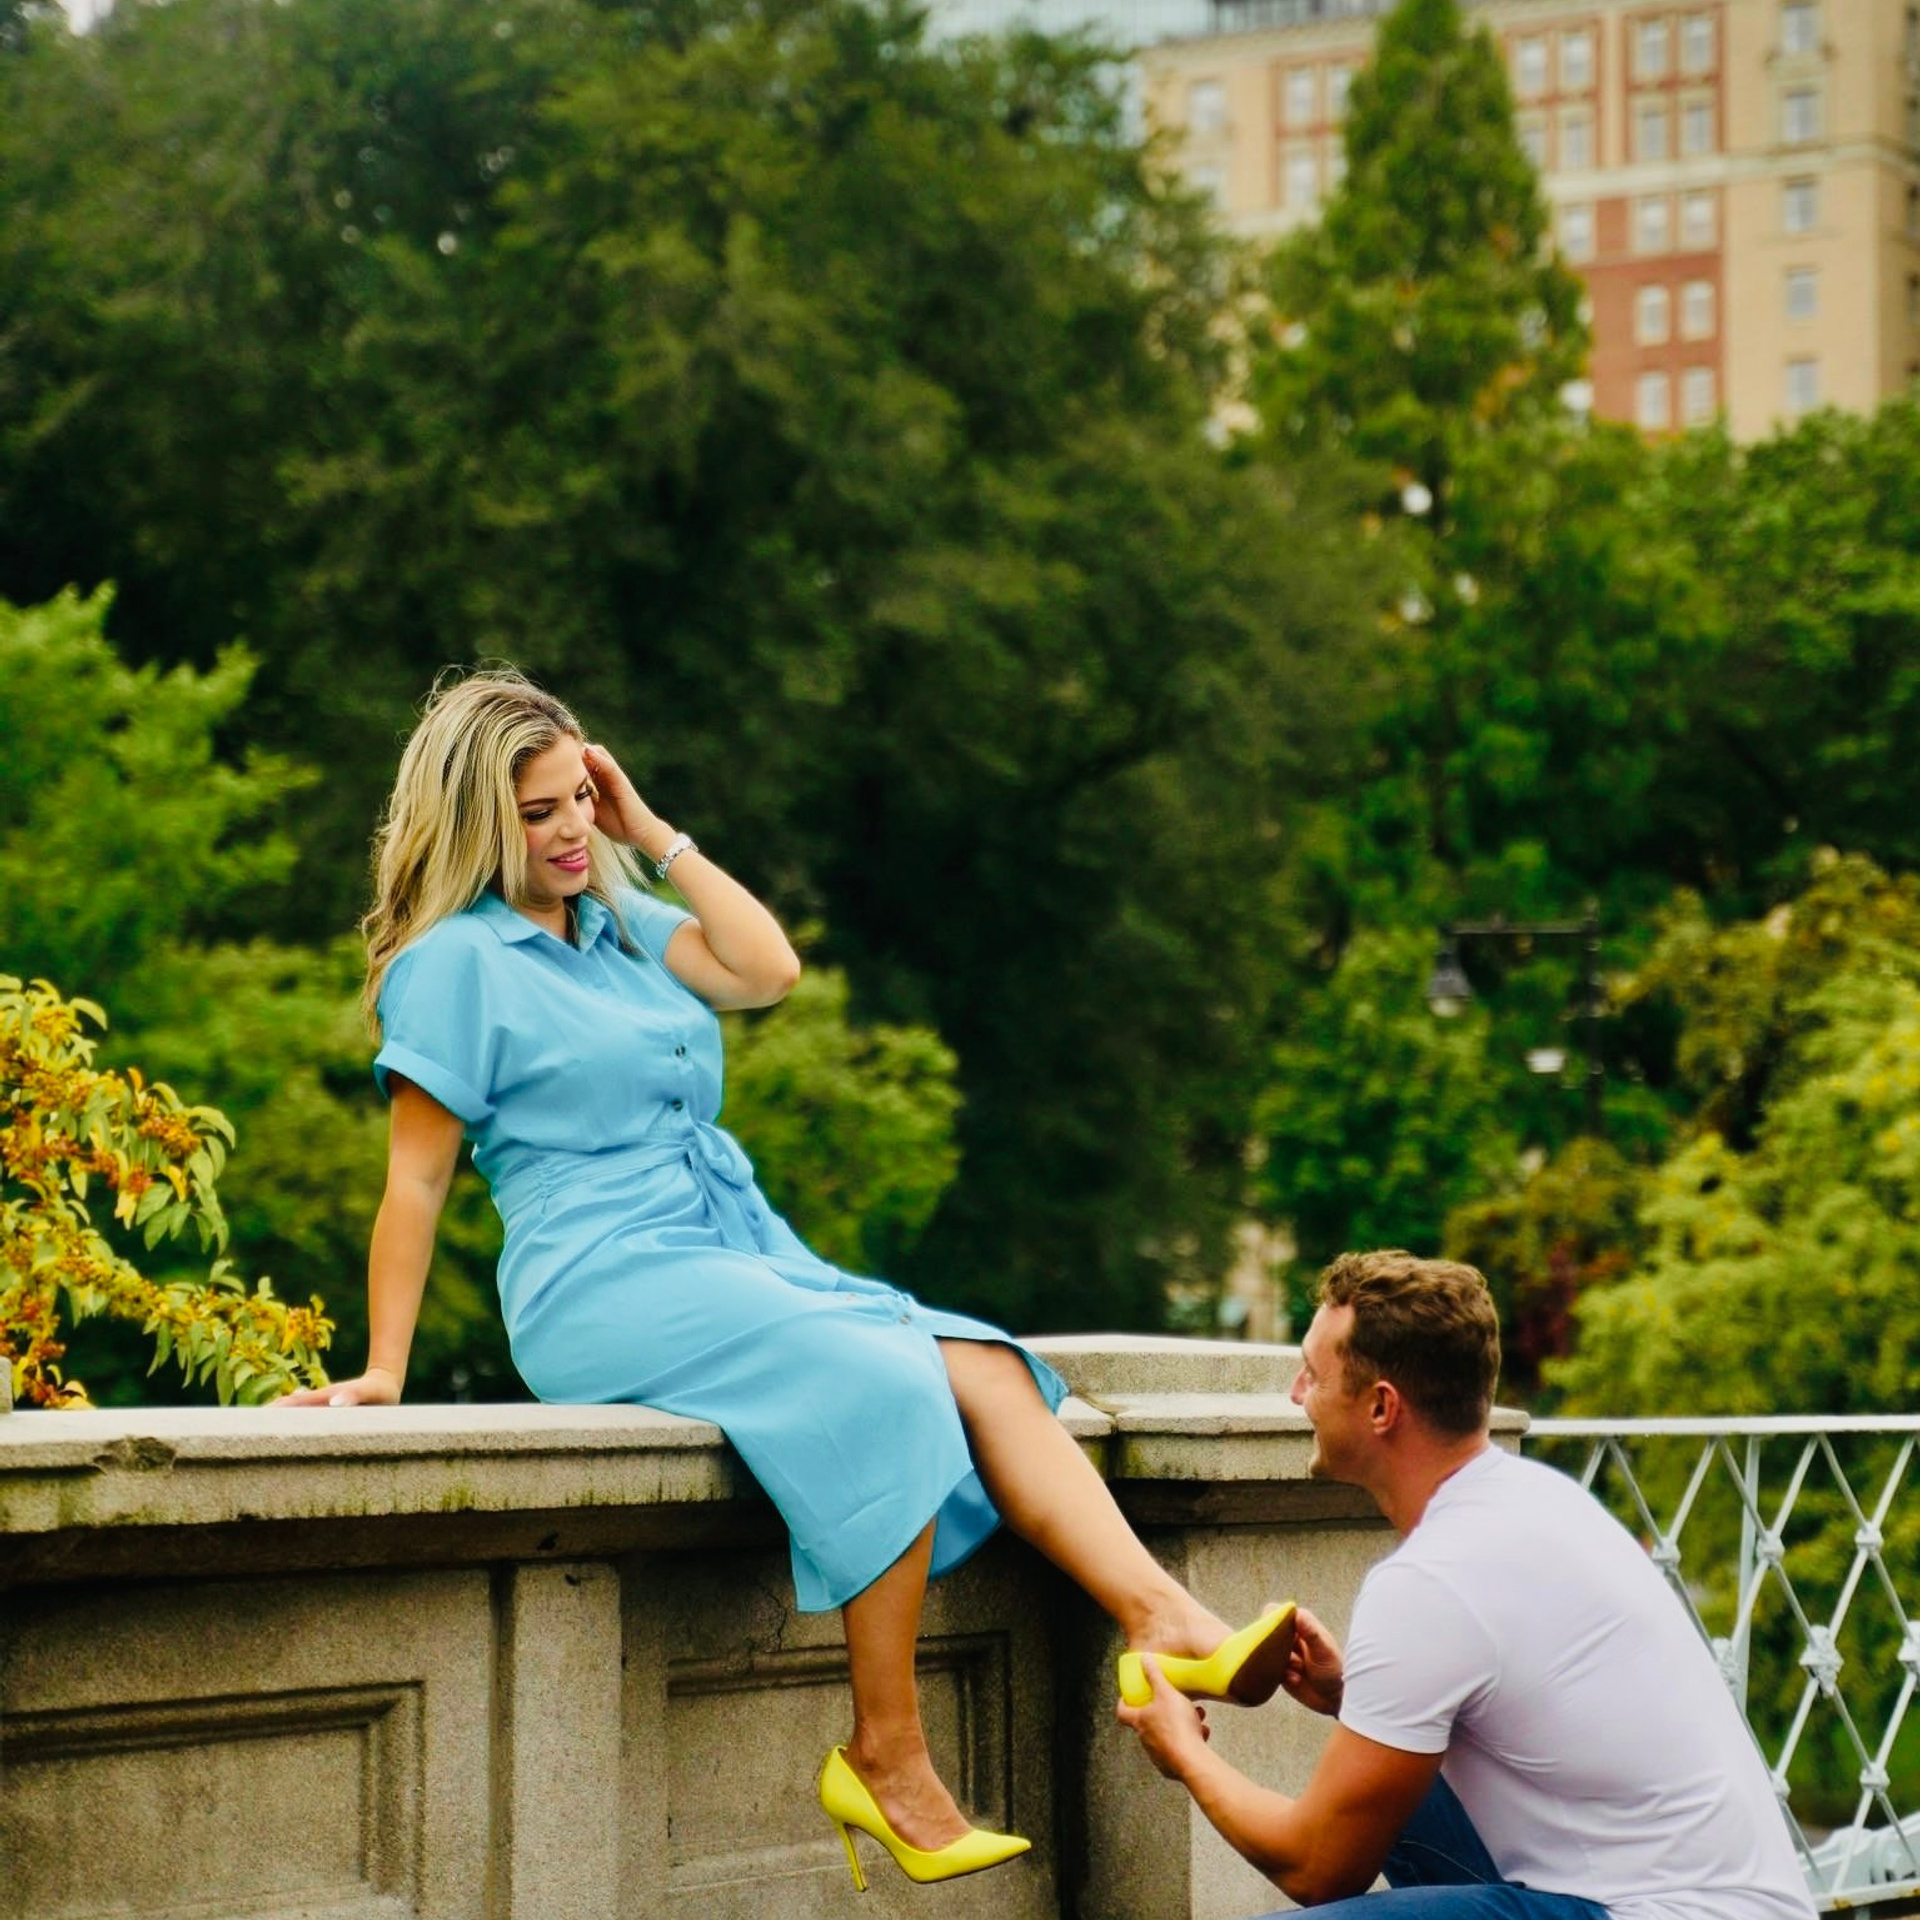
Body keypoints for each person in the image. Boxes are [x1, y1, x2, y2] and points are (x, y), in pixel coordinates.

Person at [277, 667, 1297, 1892]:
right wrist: (384, 1368)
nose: (568, 832)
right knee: (882, 1377)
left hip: (726, 1244)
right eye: (539, 812)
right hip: (596, 1277)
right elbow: (418, 1186)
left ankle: (1161, 1621)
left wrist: (649, 831)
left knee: (978, 1363)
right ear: (482, 821)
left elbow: (769, 972)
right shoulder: (457, 962)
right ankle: (887, 1749)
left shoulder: (615, 920)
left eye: (576, 801)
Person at [1117, 1249, 1819, 1920]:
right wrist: (1346, 1696)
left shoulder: (1432, 1581)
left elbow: (1318, 1868)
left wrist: (1186, 1753)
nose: (1298, 1393)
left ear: (1381, 1408)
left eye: (1313, 1374)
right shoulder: (1540, 1499)